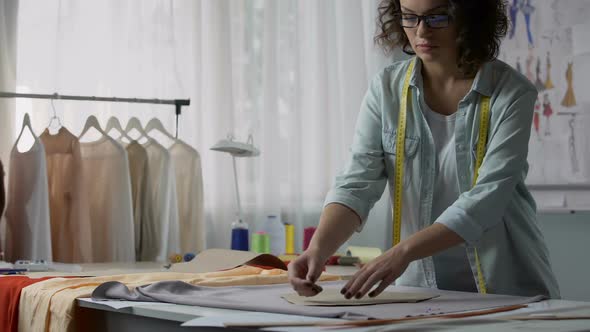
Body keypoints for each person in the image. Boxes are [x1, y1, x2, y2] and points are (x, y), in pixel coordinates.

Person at [288, 0, 560, 300]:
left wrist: (403, 251)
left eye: (437, 17)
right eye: (409, 17)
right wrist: (318, 249)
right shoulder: (386, 89)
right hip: (419, 290)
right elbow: (357, 183)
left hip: (507, 289)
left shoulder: (511, 93)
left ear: (470, 17)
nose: (421, 31)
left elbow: (488, 199)